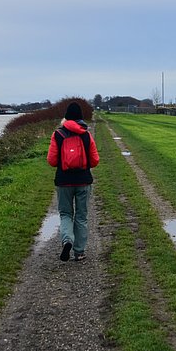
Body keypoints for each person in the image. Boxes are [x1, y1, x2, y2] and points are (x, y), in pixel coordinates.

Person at [47, 101, 100, 262]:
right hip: (83, 181)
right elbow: (95, 160)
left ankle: (67, 240)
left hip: (63, 182)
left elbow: (51, 161)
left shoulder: (58, 135)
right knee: (82, 216)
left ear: (66, 117)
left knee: (65, 214)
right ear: (81, 118)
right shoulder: (86, 135)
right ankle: (79, 252)